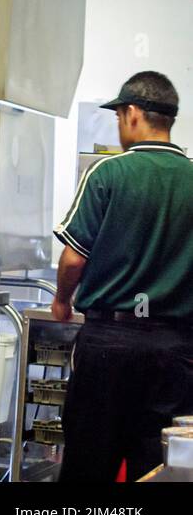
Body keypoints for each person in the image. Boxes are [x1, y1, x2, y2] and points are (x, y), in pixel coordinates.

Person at [53, 71, 193, 482]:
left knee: (88, 463)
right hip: (177, 349)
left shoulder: (108, 174)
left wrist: (62, 301)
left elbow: (74, 259)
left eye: (118, 117)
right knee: (162, 466)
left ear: (131, 114)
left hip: (109, 345)